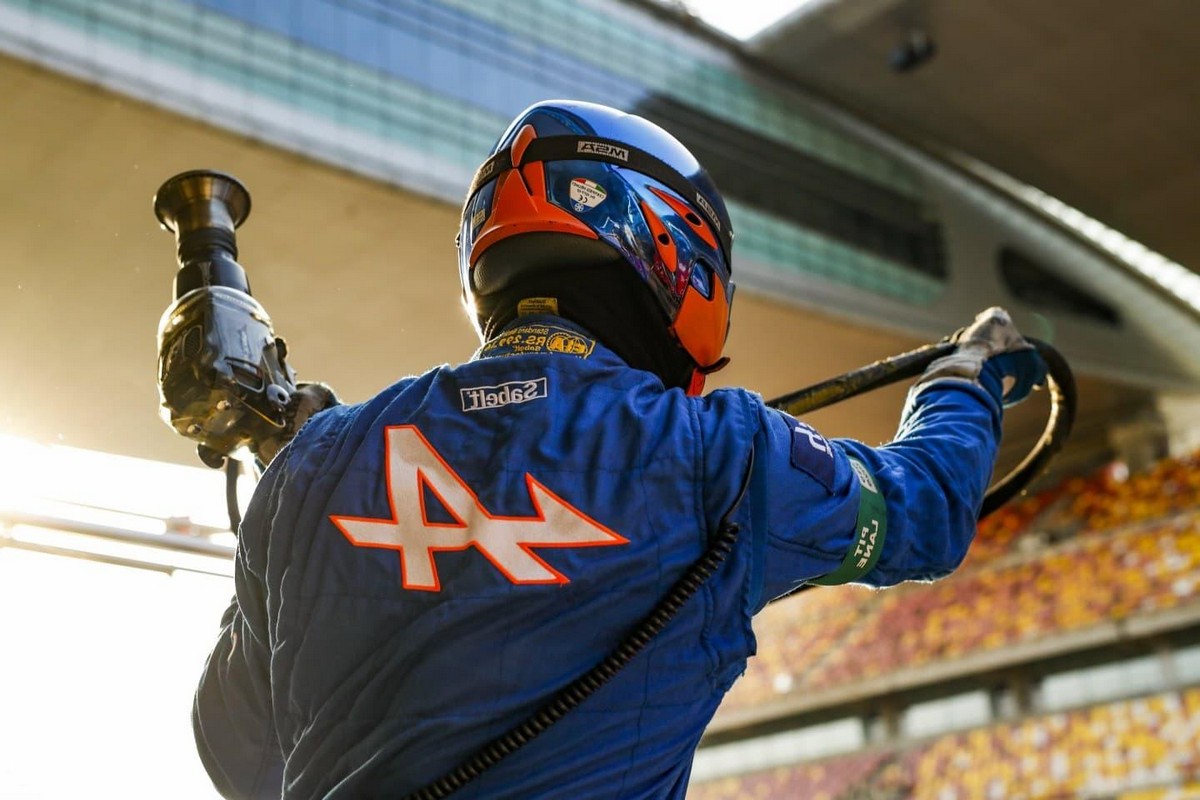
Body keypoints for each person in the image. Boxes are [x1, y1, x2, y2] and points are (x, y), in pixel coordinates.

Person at [192, 100, 1046, 799]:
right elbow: (925, 510)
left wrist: (303, 475)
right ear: (672, 249)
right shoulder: (722, 452)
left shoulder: (308, 465)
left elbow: (239, 755)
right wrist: (965, 378)